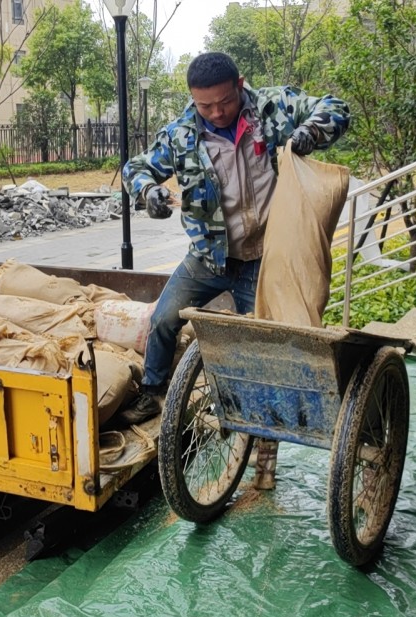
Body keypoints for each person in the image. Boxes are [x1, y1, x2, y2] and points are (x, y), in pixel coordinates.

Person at [118, 52, 350, 425]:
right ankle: (152, 392)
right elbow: (135, 168)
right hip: (208, 257)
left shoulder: (273, 108)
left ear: (239, 85)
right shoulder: (180, 135)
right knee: (162, 319)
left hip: (265, 257)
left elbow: (335, 107)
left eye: (224, 101)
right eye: (205, 105)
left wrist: (311, 131)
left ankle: (264, 426)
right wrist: (148, 191)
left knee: (266, 344)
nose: (216, 112)